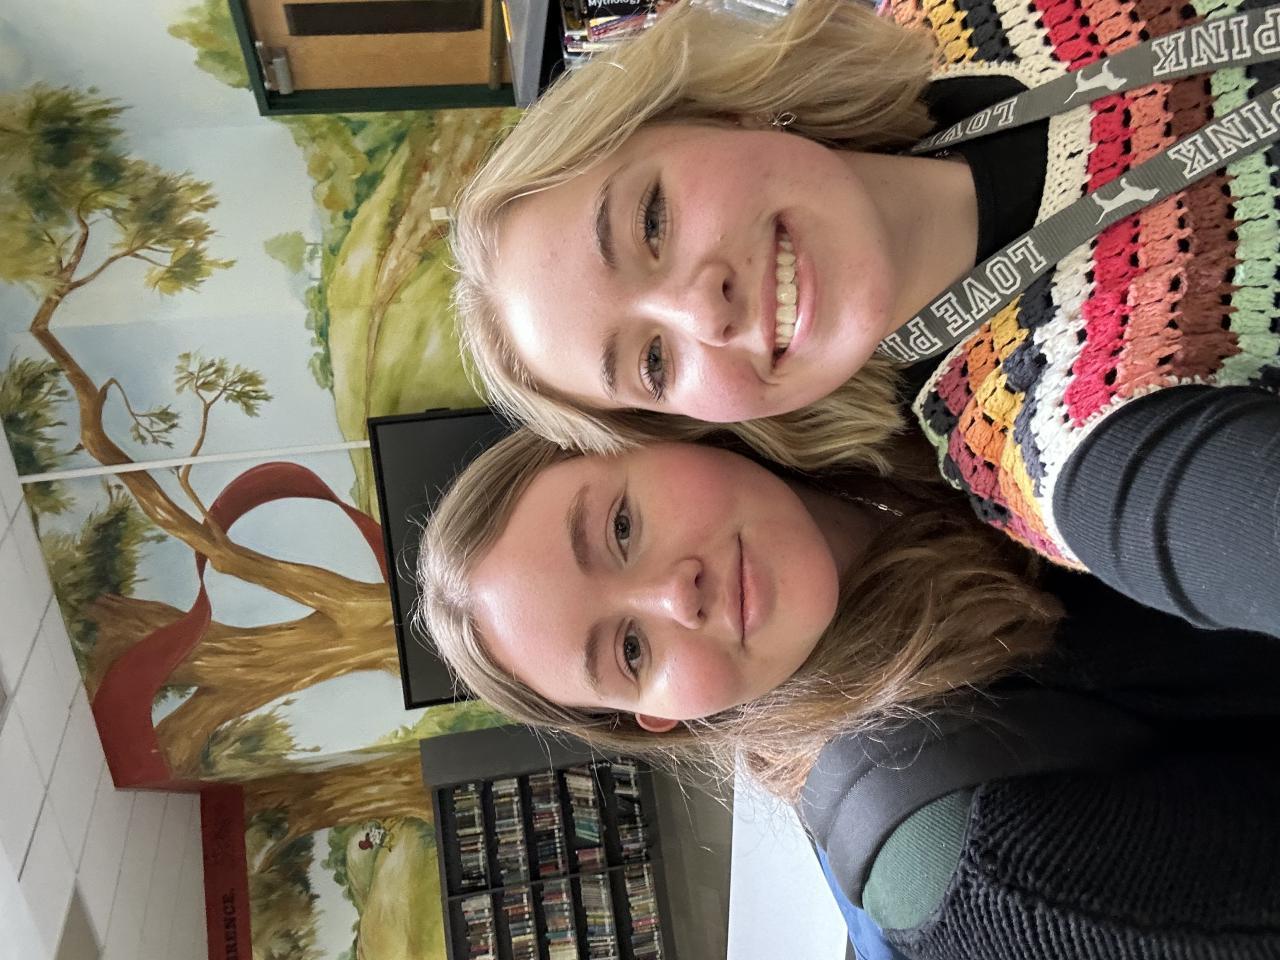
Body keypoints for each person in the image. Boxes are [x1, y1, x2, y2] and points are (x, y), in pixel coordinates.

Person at [448, 0, 1280, 636]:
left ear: (702, 117)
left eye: (652, 221)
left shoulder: (955, 17)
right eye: (654, 362)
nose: (701, 307)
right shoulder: (1064, 449)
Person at [415, 427, 1280, 959]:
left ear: (652, 435)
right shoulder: (973, 862)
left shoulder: (932, 397)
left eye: (621, 526)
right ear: (665, 716)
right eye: (632, 649)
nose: (677, 594)